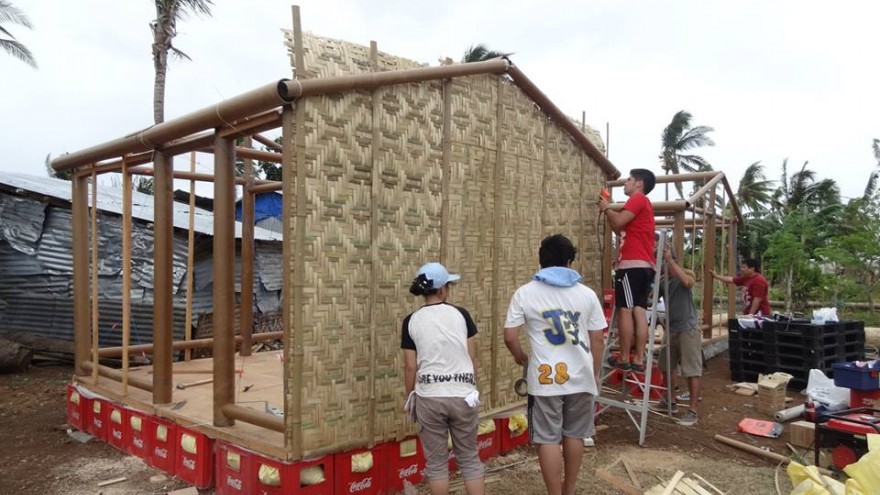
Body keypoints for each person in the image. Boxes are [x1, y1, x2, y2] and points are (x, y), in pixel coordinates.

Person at [503, 234, 607, 495]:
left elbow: (510, 335)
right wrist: (594, 373)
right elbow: (597, 339)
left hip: (546, 377)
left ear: (541, 262)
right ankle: (569, 489)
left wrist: (520, 356)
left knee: (547, 438)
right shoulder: (587, 295)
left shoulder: (524, 294)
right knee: (574, 434)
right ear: (569, 262)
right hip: (581, 375)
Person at [401, 262, 485, 495]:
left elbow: (410, 366)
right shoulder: (461, 315)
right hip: (462, 395)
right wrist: (471, 386)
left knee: (436, 465)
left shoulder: (411, 321)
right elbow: (471, 357)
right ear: (442, 289)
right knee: (469, 459)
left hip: (429, 397)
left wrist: (410, 397)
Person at [598, 168, 656, 372]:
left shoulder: (637, 199)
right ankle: (638, 359)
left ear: (639, 184)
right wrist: (609, 211)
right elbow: (619, 228)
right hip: (644, 266)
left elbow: (619, 221)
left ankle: (624, 357)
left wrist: (606, 208)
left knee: (625, 309)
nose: (625, 183)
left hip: (631, 265)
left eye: (629, 180)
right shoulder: (642, 205)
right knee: (639, 311)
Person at [653, 245, 701, 427]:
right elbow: (652, 297)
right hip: (671, 329)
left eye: (661, 261)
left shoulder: (685, 273)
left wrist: (670, 261)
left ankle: (692, 410)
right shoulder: (663, 280)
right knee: (666, 366)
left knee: (692, 370)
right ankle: (670, 401)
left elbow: (687, 283)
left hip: (687, 329)